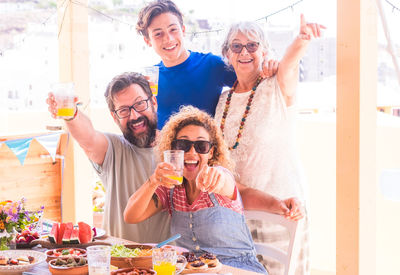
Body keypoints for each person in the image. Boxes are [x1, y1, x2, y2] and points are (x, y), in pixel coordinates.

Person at [124, 106, 303, 274]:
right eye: (183, 145)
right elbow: (131, 216)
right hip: (194, 270)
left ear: (211, 152)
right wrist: (153, 181)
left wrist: (216, 178)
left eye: (201, 146)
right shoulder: (171, 189)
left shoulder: (219, 176)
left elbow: (225, 182)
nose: (192, 153)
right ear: (174, 149)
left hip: (238, 270)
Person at [214, 15, 325, 275]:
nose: (244, 52)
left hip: (282, 209)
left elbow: (289, 64)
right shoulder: (222, 101)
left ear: (264, 51)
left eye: (252, 45)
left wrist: (302, 39)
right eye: (236, 46)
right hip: (237, 213)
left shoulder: (277, 85)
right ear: (227, 54)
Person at [46, 72, 170, 243]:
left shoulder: (178, 149)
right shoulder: (113, 149)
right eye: (123, 110)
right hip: (118, 262)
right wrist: (71, 114)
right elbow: (88, 137)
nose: (134, 116)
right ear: (114, 116)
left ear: (153, 103)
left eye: (140, 104)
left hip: (168, 263)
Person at [136, 0, 278, 128]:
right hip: (167, 156)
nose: (168, 39)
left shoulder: (212, 65)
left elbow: (253, 82)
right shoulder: (150, 81)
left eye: (173, 29)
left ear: (183, 30)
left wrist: (269, 67)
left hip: (207, 154)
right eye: (158, 34)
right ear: (148, 41)